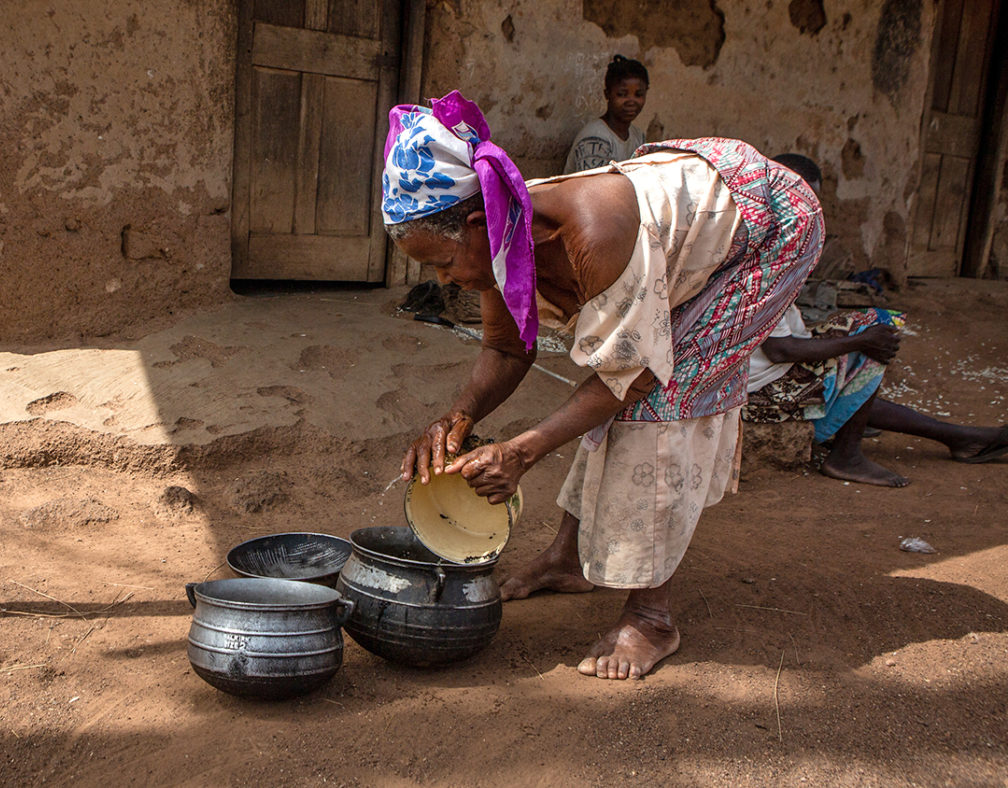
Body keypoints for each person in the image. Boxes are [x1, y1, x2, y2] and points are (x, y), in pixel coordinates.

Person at [383, 91, 823, 680]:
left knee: (662, 400)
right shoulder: (497, 230)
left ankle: (652, 616)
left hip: (767, 231)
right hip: (699, 207)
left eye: (442, 264)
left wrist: (520, 451)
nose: (445, 280)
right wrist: (455, 418)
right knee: (610, 387)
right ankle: (570, 559)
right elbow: (508, 347)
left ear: (472, 224)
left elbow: (634, 377)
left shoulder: (592, 232)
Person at [744, 154, 1008, 485]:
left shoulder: (756, 240)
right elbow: (779, 350)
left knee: (866, 336)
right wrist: (858, 342)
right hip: (756, 388)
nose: (808, 212)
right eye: (801, 199)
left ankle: (961, 437)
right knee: (871, 335)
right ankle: (846, 456)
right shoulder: (766, 258)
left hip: (757, 371)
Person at [563, 55, 648, 174]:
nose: (631, 101)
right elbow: (592, 188)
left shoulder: (637, 136)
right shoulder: (595, 138)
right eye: (622, 94)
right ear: (607, 94)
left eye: (638, 95)